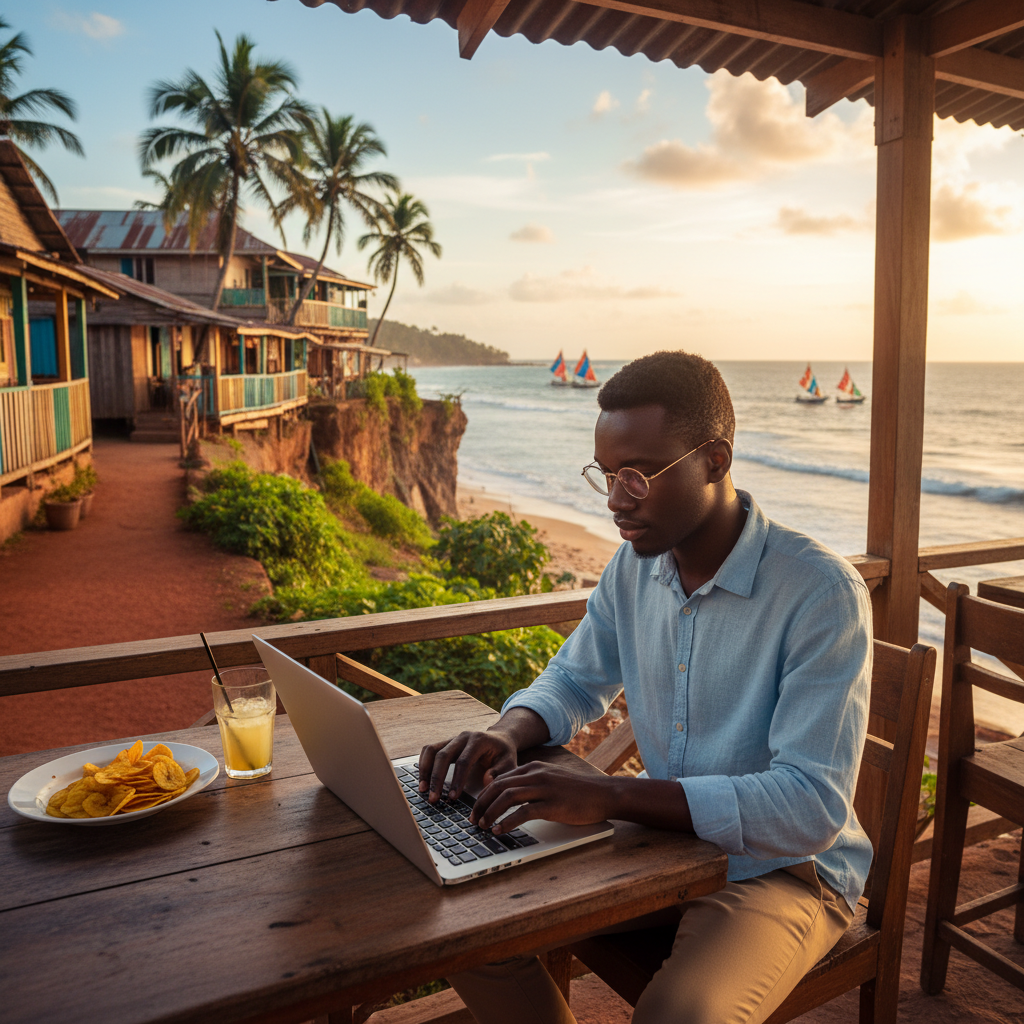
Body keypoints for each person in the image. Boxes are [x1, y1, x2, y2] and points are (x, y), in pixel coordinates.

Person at [419, 350, 873, 1024]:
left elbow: (809, 807)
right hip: (661, 846)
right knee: (461, 924)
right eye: (605, 474)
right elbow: (575, 677)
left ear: (714, 460)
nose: (614, 500)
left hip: (783, 871)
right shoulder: (635, 569)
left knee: (679, 1017)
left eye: (638, 474)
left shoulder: (819, 593)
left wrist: (608, 795)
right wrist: (504, 731)